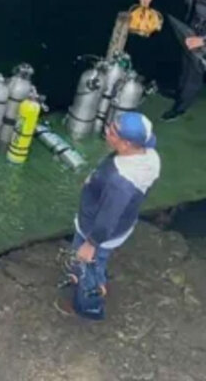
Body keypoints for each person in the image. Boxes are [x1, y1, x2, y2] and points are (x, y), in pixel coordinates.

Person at [57, 111, 160, 320]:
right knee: (94, 263)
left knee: (87, 267)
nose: (107, 131)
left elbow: (108, 217)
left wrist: (91, 243)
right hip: (122, 224)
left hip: (97, 232)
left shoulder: (120, 183)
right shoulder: (147, 155)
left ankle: (89, 306)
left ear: (127, 144)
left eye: (112, 132)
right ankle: (94, 274)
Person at [138, 0, 206, 120]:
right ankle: (180, 91)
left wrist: (203, 41)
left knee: (195, 68)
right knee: (186, 56)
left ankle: (182, 106)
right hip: (197, 21)